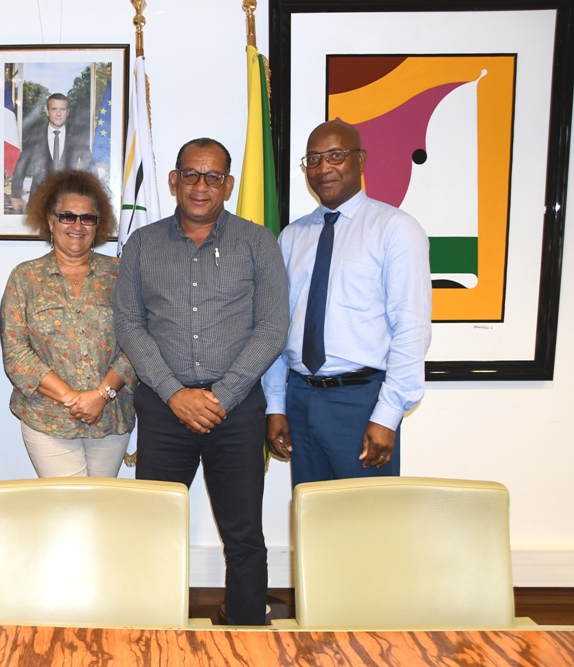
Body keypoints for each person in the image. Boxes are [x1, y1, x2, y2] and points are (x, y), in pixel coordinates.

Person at [113, 138, 289, 625]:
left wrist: (222, 396)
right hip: (163, 407)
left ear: (229, 185)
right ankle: (151, 630)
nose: (201, 186)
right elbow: (128, 323)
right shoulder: (142, 245)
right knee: (154, 527)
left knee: (244, 534)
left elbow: (273, 327)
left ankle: (246, 634)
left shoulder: (258, 243)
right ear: (174, 180)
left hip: (237, 409)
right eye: (191, 174)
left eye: (213, 177)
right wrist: (174, 393)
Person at [263, 120, 432, 485]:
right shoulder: (291, 237)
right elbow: (276, 327)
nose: (323, 167)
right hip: (299, 397)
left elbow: (411, 327)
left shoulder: (395, 229)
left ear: (361, 160)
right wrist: (275, 405)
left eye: (336, 156)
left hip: (361, 402)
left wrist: (387, 415)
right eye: (313, 159)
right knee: (311, 512)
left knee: (366, 515)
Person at [1, 171, 136, 477]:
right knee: (67, 503)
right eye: (67, 216)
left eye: (87, 218)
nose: (77, 225)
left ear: (98, 225)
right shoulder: (25, 277)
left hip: (109, 416)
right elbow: (16, 353)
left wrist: (101, 395)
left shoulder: (121, 274)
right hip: (47, 418)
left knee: (101, 502)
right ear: (50, 221)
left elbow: (138, 341)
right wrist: (74, 399)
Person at [10, 93, 96, 212]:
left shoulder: (77, 137)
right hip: (38, 202)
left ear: (67, 112)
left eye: (62, 109)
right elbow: (21, 167)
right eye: (54, 109)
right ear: (47, 111)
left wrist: (94, 196)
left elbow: (90, 168)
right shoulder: (35, 136)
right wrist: (16, 195)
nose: (58, 113)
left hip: (69, 204)